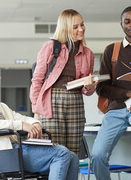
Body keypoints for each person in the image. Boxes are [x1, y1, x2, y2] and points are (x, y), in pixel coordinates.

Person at [0, 58, 79, 180]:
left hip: (13, 150)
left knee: (72, 157)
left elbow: (22, 118)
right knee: (61, 153)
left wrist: (35, 123)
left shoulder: (0, 106)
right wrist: (19, 125)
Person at [91, 6, 131, 180]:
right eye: (127, 21)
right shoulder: (111, 50)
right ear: (121, 24)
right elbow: (101, 88)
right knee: (97, 155)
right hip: (116, 111)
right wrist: (129, 93)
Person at [30, 9, 96, 155]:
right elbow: (37, 80)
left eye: (82, 25)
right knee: (56, 152)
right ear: (65, 28)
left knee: (73, 154)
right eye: (75, 27)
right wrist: (36, 110)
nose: (81, 29)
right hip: (52, 101)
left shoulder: (88, 53)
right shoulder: (51, 47)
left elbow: (86, 90)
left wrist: (90, 87)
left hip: (75, 102)